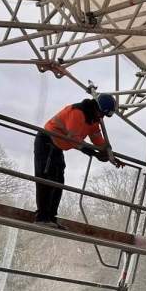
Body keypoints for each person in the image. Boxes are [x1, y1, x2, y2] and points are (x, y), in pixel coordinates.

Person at [33, 93, 121, 228]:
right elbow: (74, 140)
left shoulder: (93, 119)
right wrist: (94, 154)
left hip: (57, 146)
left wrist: (111, 156)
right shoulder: (77, 113)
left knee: (58, 180)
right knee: (47, 177)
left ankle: (50, 217)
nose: (102, 117)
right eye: (102, 114)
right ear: (95, 107)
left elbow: (97, 139)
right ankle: (42, 217)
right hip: (47, 141)